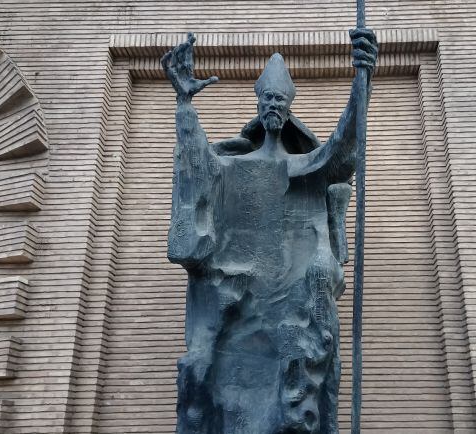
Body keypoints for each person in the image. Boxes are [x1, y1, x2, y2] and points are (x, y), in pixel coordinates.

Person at [162, 28, 377, 434]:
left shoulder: (308, 166)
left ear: (288, 106)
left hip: (293, 309)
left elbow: (343, 147)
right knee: (219, 398)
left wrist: (362, 78)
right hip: (238, 307)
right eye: (269, 99)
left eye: (280, 99)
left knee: (293, 406)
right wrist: (185, 103)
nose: (274, 104)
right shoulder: (232, 166)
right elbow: (197, 168)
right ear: (259, 106)